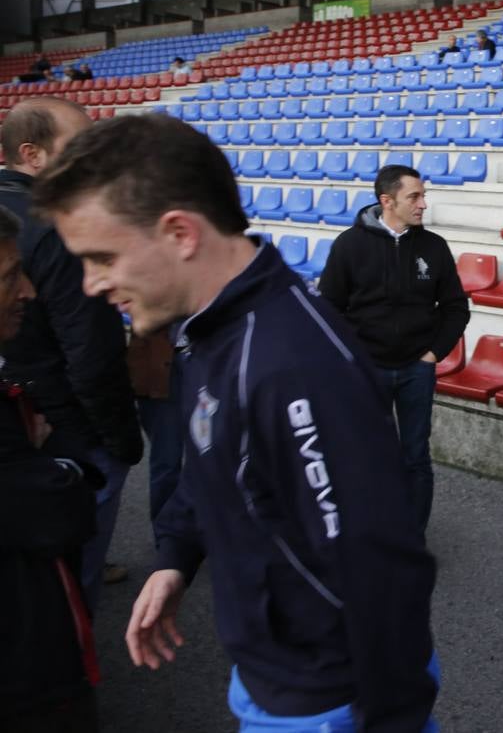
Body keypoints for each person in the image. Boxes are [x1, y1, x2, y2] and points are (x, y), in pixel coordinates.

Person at [34, 112, 440, 731]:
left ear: (179, 233)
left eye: (102, 256)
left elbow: (379, 565)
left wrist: (389, 717)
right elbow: (213, 459)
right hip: (274, 676)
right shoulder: (211, 329)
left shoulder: (290, 362)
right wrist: (177, 556)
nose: (91, 284)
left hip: (331, 700)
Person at [0, 96, 142, 614]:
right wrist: (120, 441)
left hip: (23, 415)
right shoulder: (56, 225)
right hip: (69, 426)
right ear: (33, 155)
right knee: (68, 576)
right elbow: (92, 348)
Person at [0, 203, 104, 733]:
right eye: (11, 277)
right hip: (26, 680)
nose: (28, 292)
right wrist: (61, 468)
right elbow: (57, 514)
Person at [319, 164, 468, 532]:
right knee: (365, 455)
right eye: (414, 197)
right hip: (367, 370)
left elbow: (455, 308)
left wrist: (433, 353)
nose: (423, 204)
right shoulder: (349, 246)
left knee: (415, 456)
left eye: (423, 195)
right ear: (387, 201)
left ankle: (410, 539)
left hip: (417, 369)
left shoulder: (434, 247)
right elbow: (328, 311)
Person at [127, 329, 181, 527]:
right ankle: (169, 539)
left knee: (214, 458)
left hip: (202, 361)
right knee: (166, 462)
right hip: (159, 371)